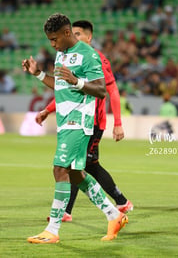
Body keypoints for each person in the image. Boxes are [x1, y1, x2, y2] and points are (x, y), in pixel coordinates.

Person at [22, 13, 128, 244]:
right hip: (64, 120)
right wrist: (38, 74)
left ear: (67, 33)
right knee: (75, 174)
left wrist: (76, 81)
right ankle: (114, 215)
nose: (52, 44)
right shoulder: (62, 54)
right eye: (49, 40)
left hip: (79, 121)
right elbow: (60, 85)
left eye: (54, 39)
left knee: (59, 169)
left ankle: (52, 230)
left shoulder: (89, 55)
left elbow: (101, 90)